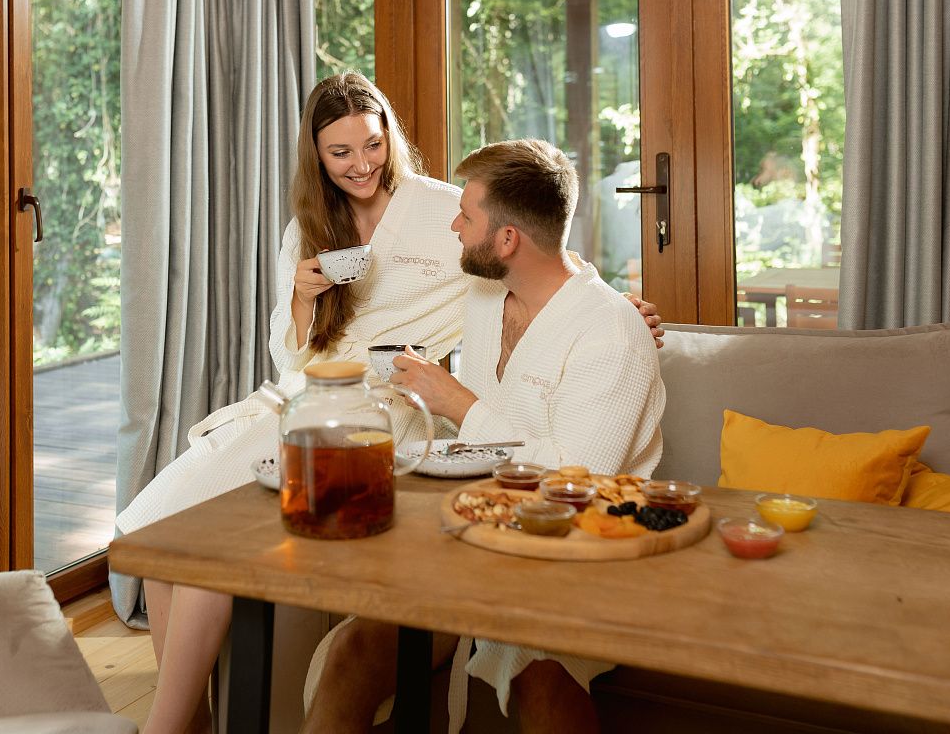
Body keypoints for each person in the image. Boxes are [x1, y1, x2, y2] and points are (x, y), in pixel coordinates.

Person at [115, 75, 662, 734]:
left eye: (372, 145)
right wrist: (302, 299)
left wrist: (613, 307)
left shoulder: (455, 225)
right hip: (312, 405)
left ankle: (166, 727)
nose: (361, 164)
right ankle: (188, 722)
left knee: (199, 545)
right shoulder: (318, 232)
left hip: (391, 422)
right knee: (160, 536)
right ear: (316, 155)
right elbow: (295, 358)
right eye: (340, 152)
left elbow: (538, 247)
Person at [302, 139, 666, 734]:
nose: (453, 226)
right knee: (352, 651)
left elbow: (579, 482)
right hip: (472, 537)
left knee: (538, 666)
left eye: (465, 217)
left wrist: (459, 403)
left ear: (507, 240)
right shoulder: (486, 294)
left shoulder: (610, 332)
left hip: (579, 550)